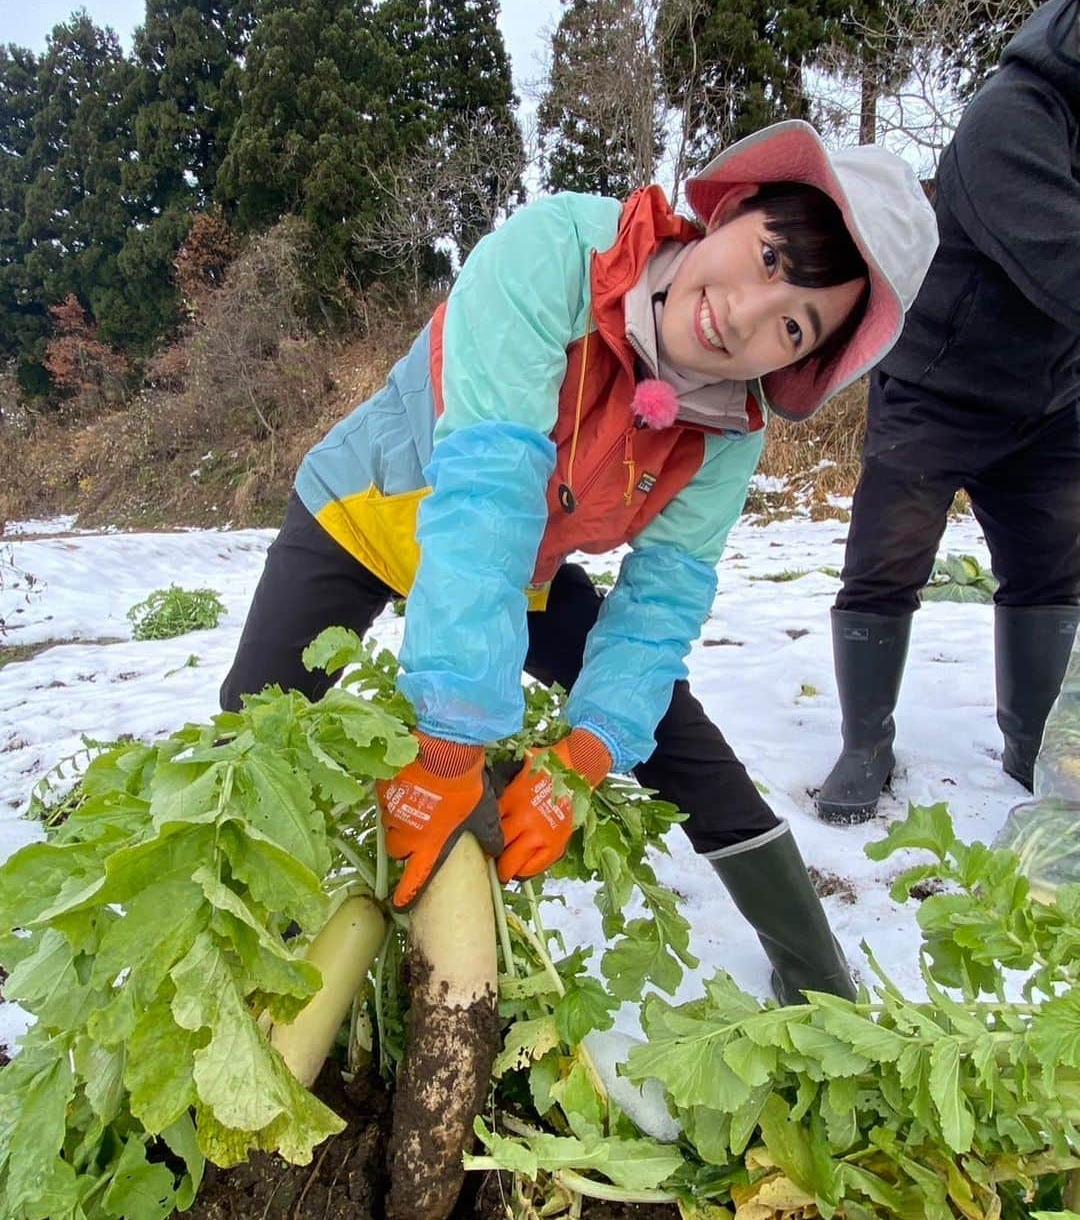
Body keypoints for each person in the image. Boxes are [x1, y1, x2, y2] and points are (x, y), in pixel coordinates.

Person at [221, 119, 937, 1004]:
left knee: (669, 734)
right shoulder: (562, 252)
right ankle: (237, 955)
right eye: (769, 260)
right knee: (251, 733)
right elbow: (488, 492)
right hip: (366, 510)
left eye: (792, 327)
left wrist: (586, 753)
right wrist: (450, 739)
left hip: (519, 565)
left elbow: (663, 601)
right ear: (735, 210)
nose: (743, 315)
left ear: (804, 361)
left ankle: (819, 977)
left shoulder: (727, 433)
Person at [816, 0, 1080, 825]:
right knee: (884, 565)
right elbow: (1061, 256)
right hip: (939, 385)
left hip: (1051, 398)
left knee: (1049, 571)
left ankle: (1029, 739)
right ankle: (866, 743)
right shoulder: (1012, 116)